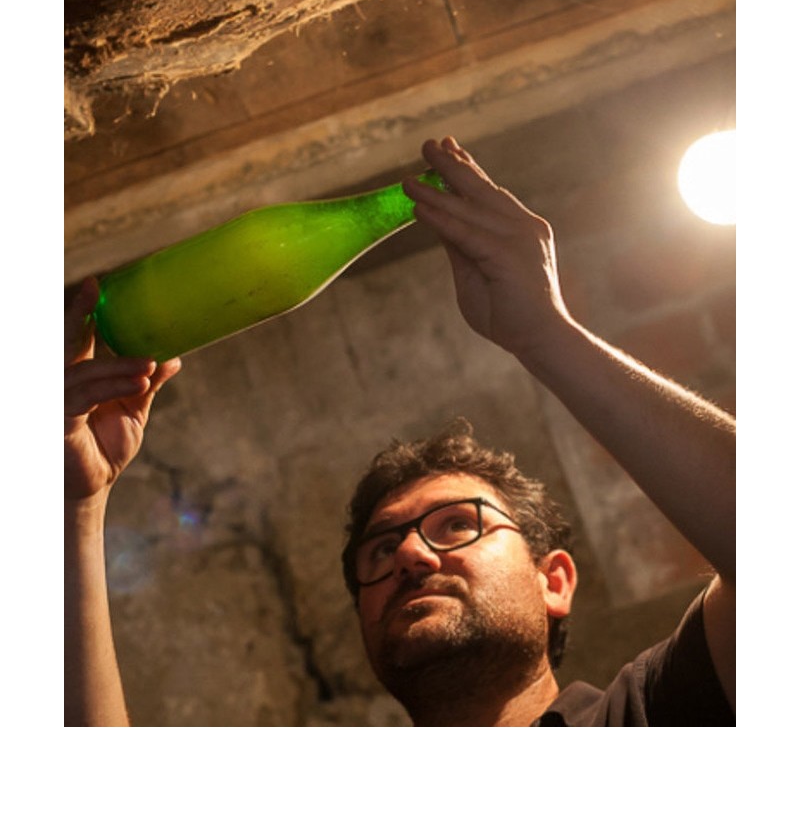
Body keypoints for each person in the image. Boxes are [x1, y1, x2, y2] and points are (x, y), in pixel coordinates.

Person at [64, 136, 735, 726]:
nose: (410, 556)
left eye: (456, 524)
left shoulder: (652, 717)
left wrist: (546, 334)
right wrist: (78, 508)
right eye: (379, 553)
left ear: (554, 578)